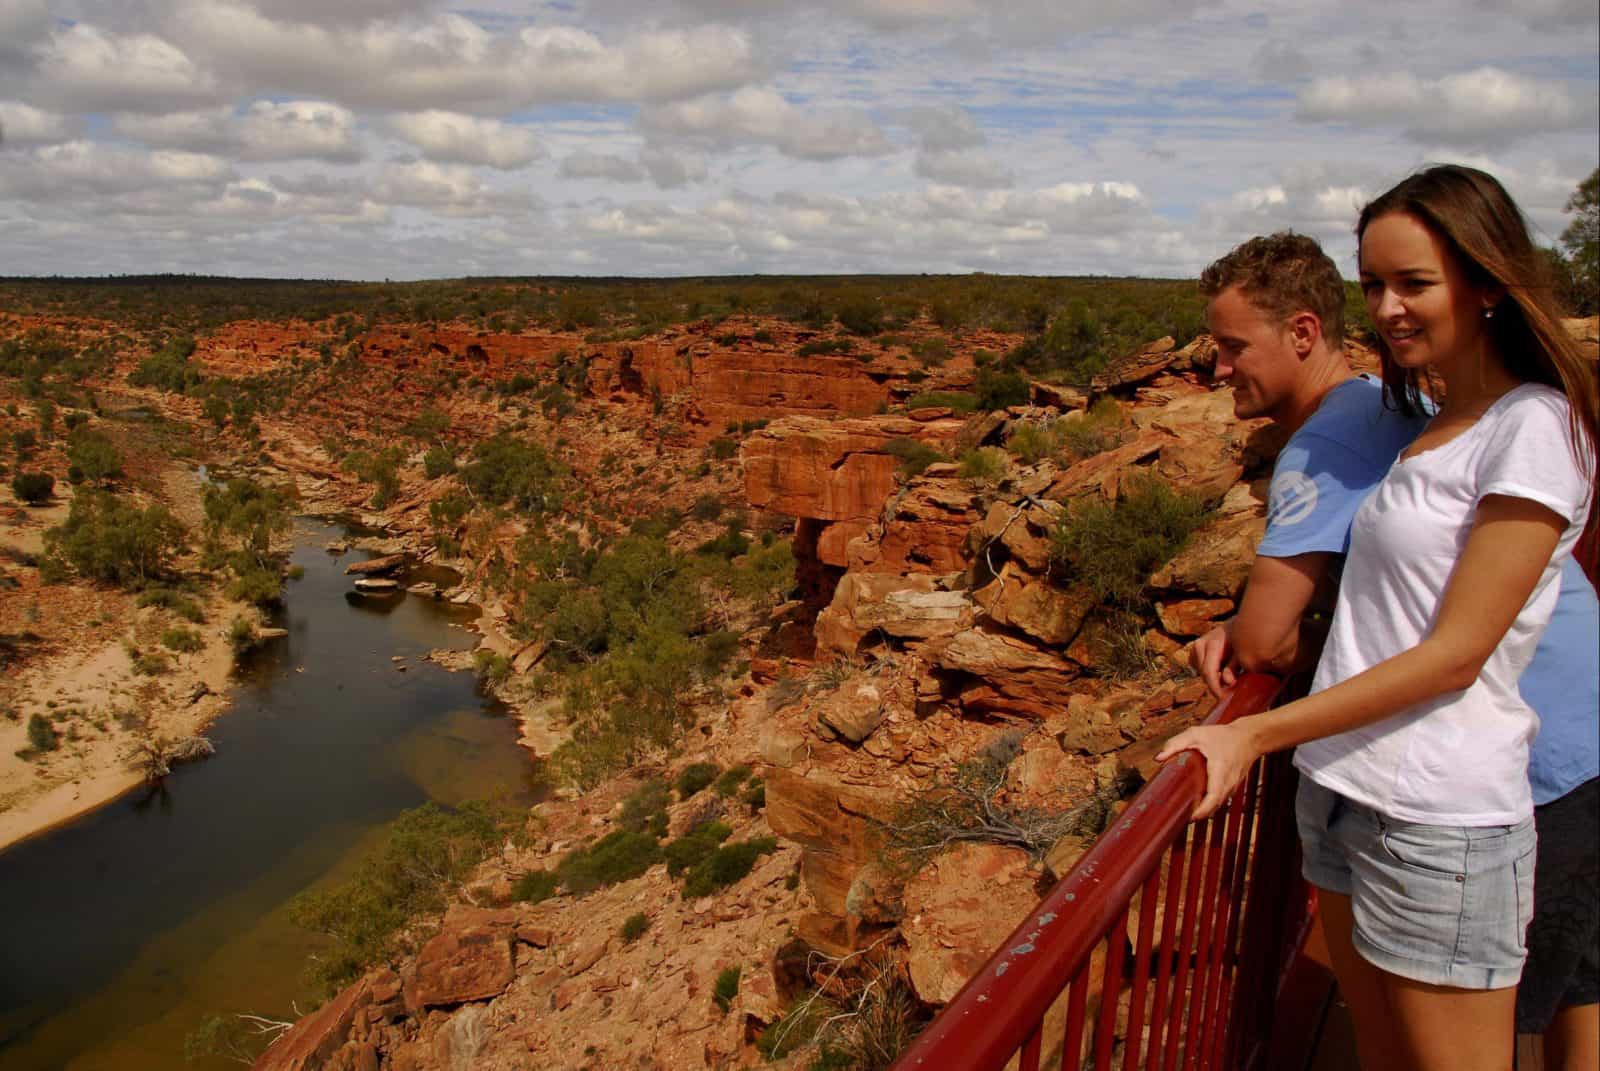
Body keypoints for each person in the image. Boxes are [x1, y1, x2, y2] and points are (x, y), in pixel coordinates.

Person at [1156, 166, 1598, 1071]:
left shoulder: (1531, 426)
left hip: (1445, 812)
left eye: (1415, 283)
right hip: (1353, 793)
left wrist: (1253, 734)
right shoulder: (1424, 416)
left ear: (1485, 283)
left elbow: (1454, 654)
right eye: (1375, 285)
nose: (1390, 308)